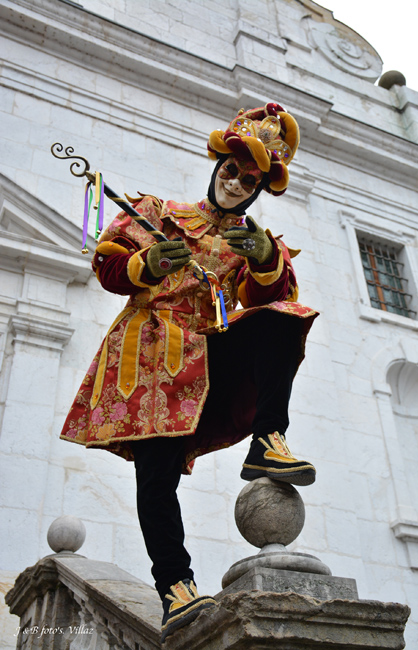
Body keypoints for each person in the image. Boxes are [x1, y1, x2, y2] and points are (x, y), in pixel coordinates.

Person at [60, 102, 319, 642]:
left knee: (282, 320)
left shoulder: (253, 242)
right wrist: (150, 263)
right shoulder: (158, 211)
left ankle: (270, 437)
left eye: (250, 181)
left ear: (257, 190)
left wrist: (267, 259)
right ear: (217, 165)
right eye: (232, 170)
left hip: (207, 357)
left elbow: (269, 297)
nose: (236, 183)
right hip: (149, 358)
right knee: (156, 475)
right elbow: (108, 265)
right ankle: (176, 587)